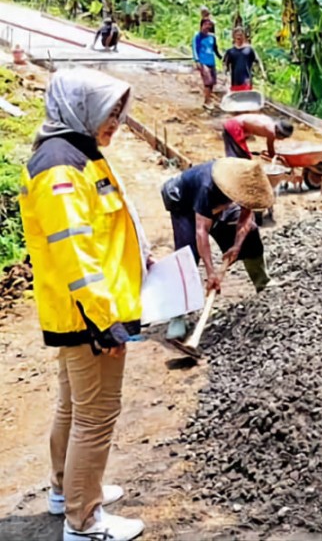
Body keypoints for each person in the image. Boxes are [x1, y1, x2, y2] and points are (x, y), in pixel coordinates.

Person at [19, 68, 149, 541]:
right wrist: (104, 321)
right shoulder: (61, 164)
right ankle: (84, 520)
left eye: (119, 112)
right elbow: (73, 249)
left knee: (73, 407)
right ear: (80, 107)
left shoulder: (78, 153)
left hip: (82, 310)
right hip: (87, 315)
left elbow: (102, 230)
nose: (115, 121)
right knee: (96, 415)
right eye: (109, 112)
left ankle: (65, 491)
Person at [160, 158, 272, 341]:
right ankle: (177, 315)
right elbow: (201, 231)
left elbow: (246, 216)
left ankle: (263, 284)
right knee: (187, 255)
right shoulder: (208, 186)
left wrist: (236, 245)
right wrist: (211, 272)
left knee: (250, 234)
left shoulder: (245, 183)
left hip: (218, 205)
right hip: (184, 202)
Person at [222, 114, 293, 160]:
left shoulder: (271, 124)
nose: (282, 139)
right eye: (283, 137)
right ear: (279, 132)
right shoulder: (271, 131)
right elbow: (270, 149)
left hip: (233, 125)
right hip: (234, 127)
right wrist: (277, 158)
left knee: (237, 154)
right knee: (242, 157)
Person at [192, 18, 223, 108]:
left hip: (211, 61)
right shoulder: (197, 36)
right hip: (202, 61)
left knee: (212, 82)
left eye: (209, 25)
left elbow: (215, 49)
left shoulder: (212, 37)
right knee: (207, 81)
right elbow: (195, 49)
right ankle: (207, 101)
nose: (207, 26)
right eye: (205, 24)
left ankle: (207, 99)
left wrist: (221, 58)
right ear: (201, 25)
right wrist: (197, 60)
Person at [223, 27, 259, 91]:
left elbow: (257, 61)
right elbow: (226, 65)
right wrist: (225, 76)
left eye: (240, 35)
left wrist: (260, 74)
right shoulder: (230, 51)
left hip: (246, 81)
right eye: (237, 35)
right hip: (235, 82)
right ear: (234, 36)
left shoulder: (249, 50)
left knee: (246, 99)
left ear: (244, 36)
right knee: (236, 99)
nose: (239, 37)